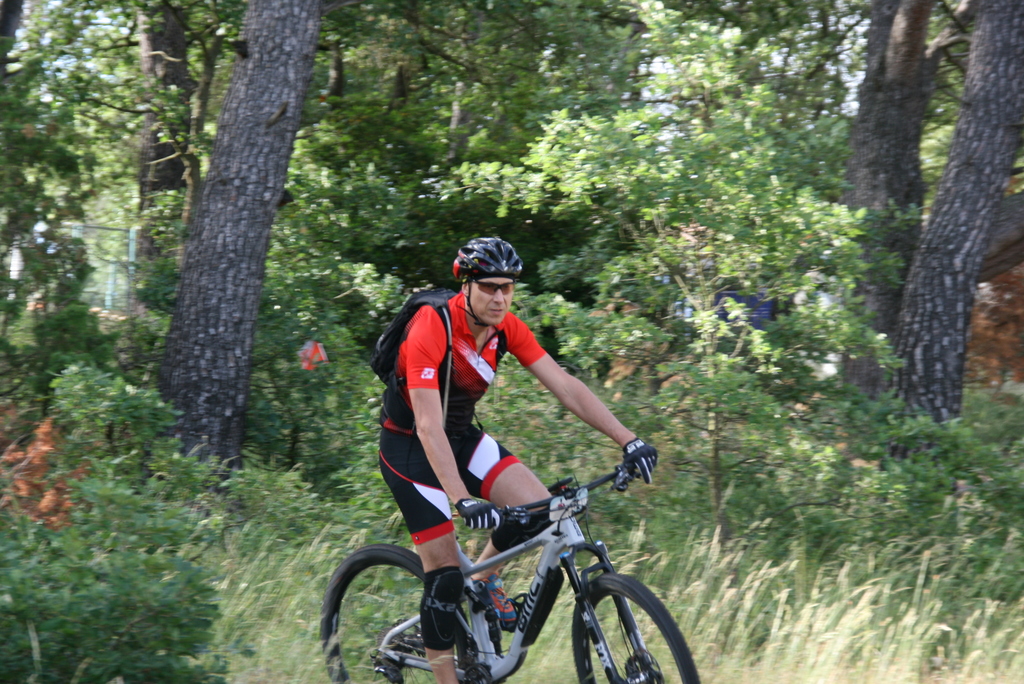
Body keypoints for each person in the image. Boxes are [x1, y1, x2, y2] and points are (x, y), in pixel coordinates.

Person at [377, 236, 658, 684]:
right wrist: (462, 498)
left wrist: (629, 440)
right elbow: (428, 426)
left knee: (542, 510)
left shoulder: (506, 327)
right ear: (466, 286)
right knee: (445, 576)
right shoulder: (433, 325)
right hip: (409, 448)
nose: (500, 297)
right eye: (489, 287)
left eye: (507, 288)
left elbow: (565, 386)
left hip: (461, 439)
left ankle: (485, 578)